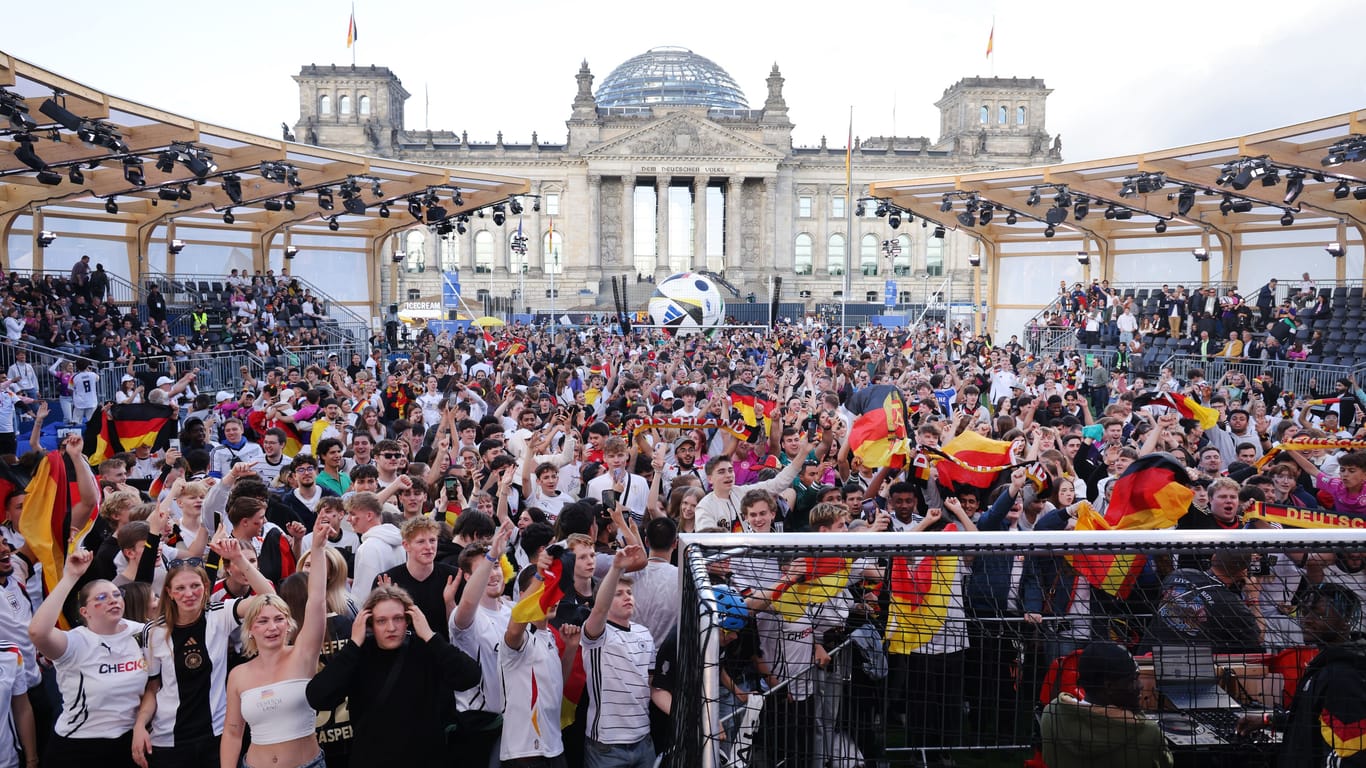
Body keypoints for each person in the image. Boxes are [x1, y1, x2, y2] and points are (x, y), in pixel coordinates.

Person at [133, 539, 276, 768]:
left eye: (195, 586)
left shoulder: (220, 615)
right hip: (168, 739)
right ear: (169, 592)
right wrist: (140, 726)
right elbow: (153, 687)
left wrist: (238, 558)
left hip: (216, 735)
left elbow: (270, 598)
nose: (189, 594)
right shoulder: (154, 632)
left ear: (206, 588)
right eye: (180, 588)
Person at [304, 585, 482, 767]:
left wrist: (430, 635)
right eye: (381, 621)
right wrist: (354, 644)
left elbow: (470, 677)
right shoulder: (358, 655)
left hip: (426, 758)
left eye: (398, 618)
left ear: (409, 619)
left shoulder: (426, 648)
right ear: (370, 623)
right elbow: (318, 697)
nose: (391, 627)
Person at [220, 518, 332, 768]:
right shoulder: (238, 675)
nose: (271, 627)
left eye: (279, 619)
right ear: (250, 630)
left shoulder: (303, 655)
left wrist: (317, 548)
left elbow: (316, 601)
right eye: (262, 621)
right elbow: (233, 732)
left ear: (289, 624)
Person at [28, 549, 146, 768]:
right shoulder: (75, 642)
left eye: (116, 595)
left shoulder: (142, 633)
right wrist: (70, 577)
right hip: (79, 746)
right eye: (102, 598)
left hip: (129, 744)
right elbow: (37, 632)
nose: (113, 600)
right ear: (85, 612)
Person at [1236, 583, 1366, 767]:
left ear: (1345, 621)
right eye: (1305, 612)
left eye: (1319, 614)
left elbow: (1349, 752)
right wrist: (1268, 720)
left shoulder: (1342, 675)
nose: (1307, 620)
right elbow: (1311, 716)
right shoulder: (1325, 664)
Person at [1039, 641, 1172, 768]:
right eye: (1133, 680)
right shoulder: (1148, 733)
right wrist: (1137, 713)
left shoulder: (1051, 714)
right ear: (1109, 686)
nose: (1140, 686)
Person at [580, 543, 655, 768]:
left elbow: (650, 684)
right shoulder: (597, 634)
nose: (627, 597)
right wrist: (616, 568)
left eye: (629, 593)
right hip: (607, 746)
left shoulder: (645, 633)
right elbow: (599, 610)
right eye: (618, 593)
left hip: (644, 739)